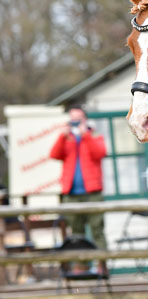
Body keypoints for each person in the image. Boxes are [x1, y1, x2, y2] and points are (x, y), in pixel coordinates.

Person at [49, 106, 107, 249]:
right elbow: (54, 154)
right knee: (76, 234)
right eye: (72, 119)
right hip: (71, 193)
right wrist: (63, 136)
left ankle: (102, 267)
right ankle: (81, 269)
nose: (75, 122)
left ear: (85, 119)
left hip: (93, 193)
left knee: (97, 231)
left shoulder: (94, 135)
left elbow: (100, 153)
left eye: (78, 119)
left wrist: (85, 135)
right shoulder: (67, 138)